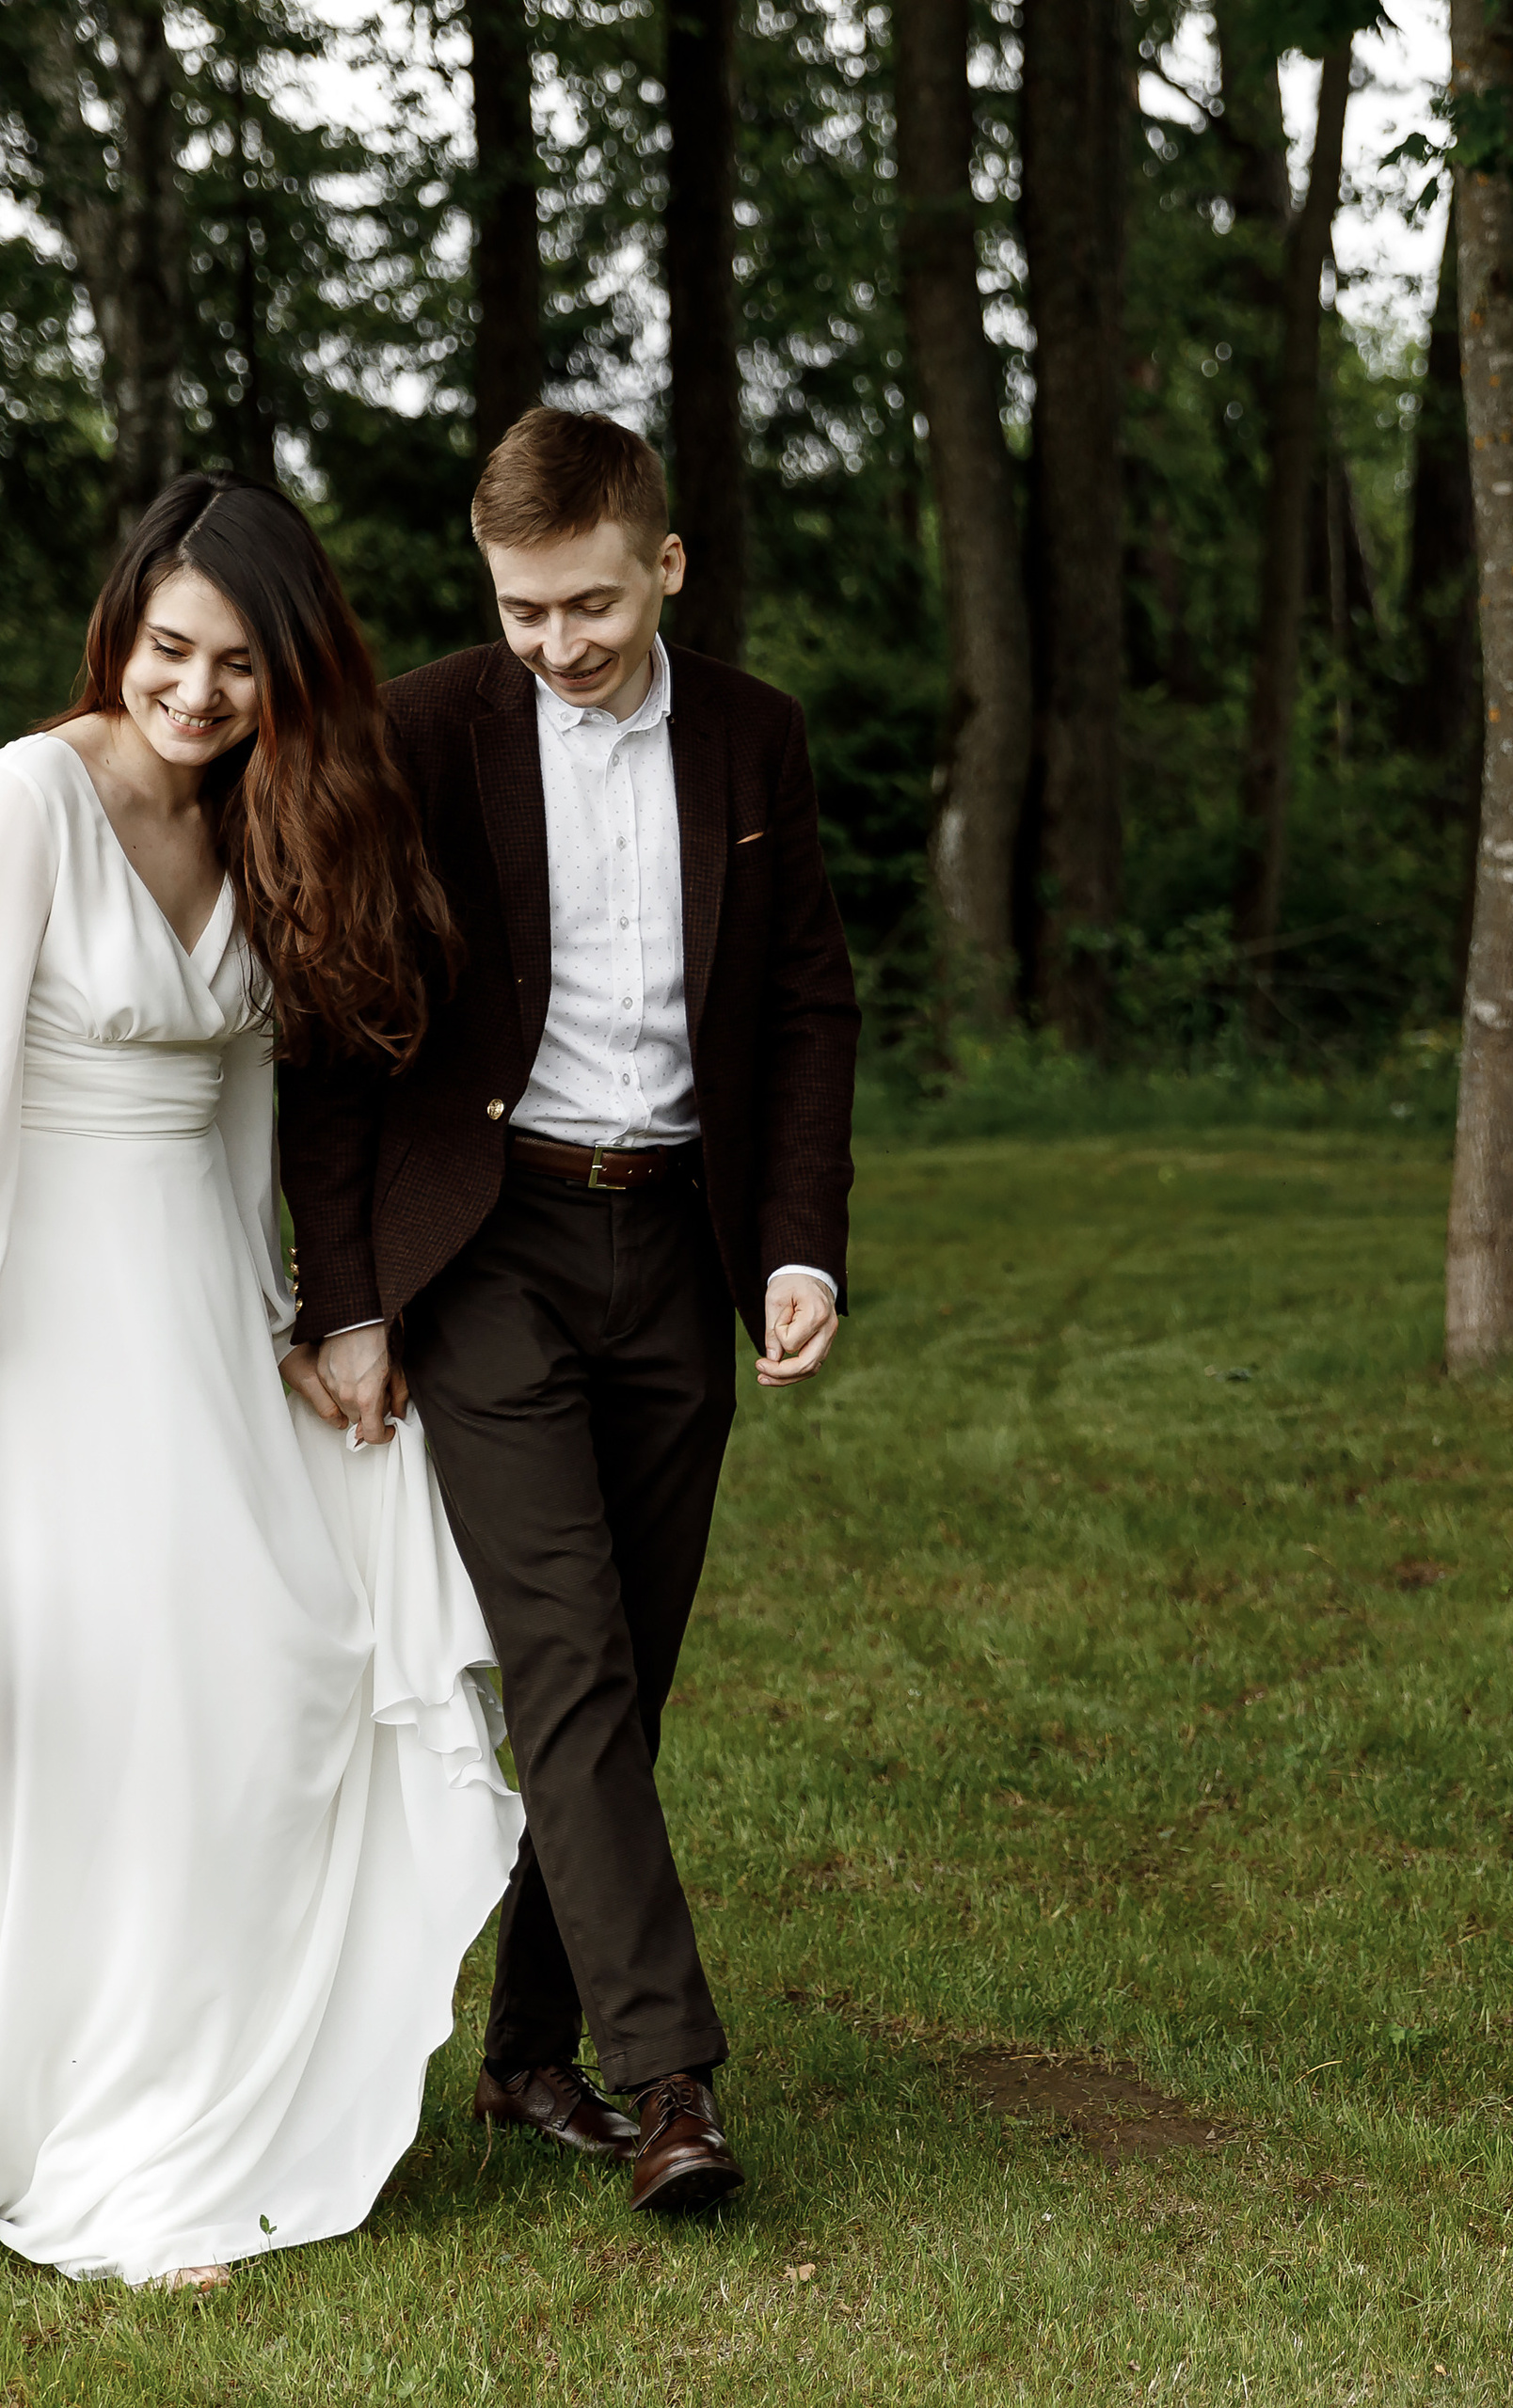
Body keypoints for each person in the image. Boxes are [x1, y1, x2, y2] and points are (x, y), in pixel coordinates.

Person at [280, 408, 860, 2213]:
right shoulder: (433, 730)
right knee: (569, 1657)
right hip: (495, 1251)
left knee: (633, 1668)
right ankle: (666, 2077)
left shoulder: (758, 740)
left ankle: (528, 2053)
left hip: (678, 1248)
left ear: (664, 563)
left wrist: (797, 1244)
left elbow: (806, 1012)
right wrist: (353, 1295)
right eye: (525, 611)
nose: (556, 643)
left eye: (590, 606)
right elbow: (341, 1030)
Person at [0, 473, 524, 2289]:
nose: (197, 694)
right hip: (56, 1324)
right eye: (169, 652)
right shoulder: (30, 803)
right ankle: (111, 2144)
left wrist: (309, 1318)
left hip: (205, 1311)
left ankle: (196, 2090)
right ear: (120, 630)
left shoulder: (254, 824)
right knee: (134, 1703)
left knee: (279, 1667)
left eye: (236, 665)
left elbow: (248, 1105)